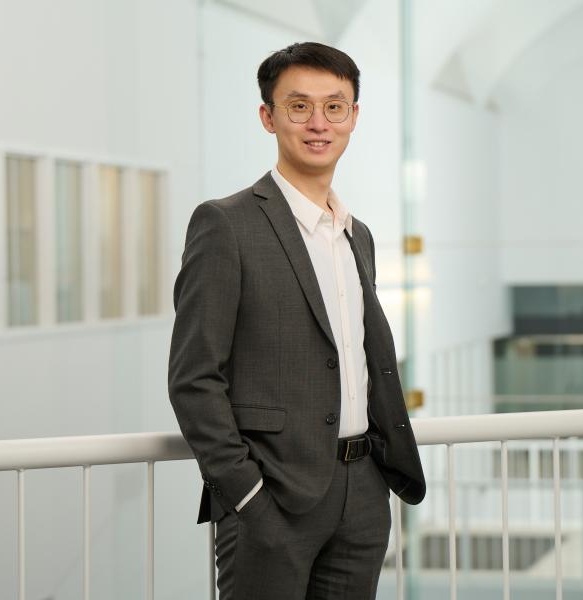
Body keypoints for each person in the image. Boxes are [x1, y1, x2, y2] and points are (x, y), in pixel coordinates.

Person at [168, 41, 425, 600]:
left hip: (362, 493)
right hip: (272, 497)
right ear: (268, 116)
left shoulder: (358, 235)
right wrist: (246, 494)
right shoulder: (225, 225)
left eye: (334, 107)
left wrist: (374, 482)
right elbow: (194, 378)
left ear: (353, 116)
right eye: (299, 106)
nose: (318, 123)